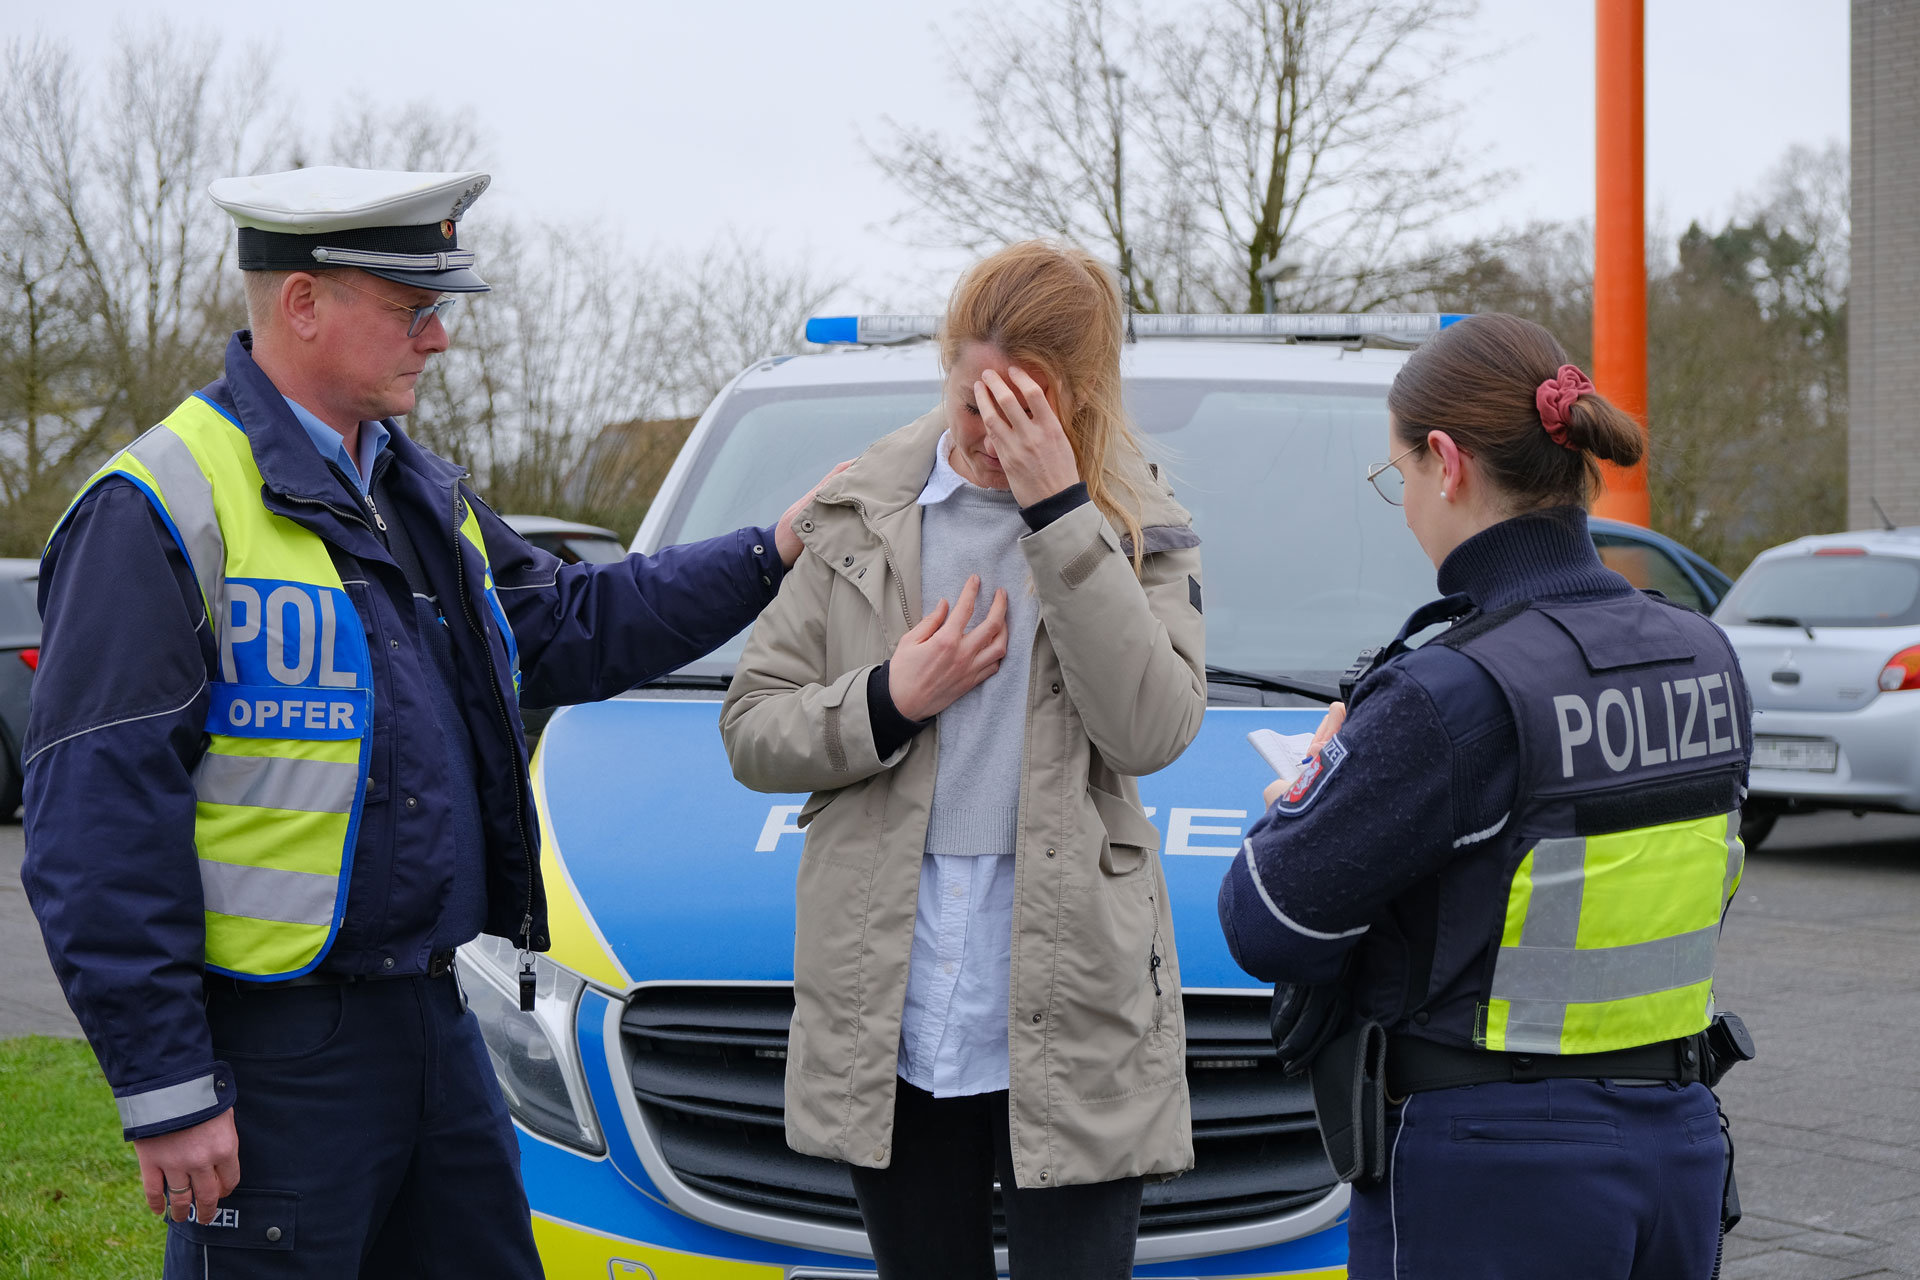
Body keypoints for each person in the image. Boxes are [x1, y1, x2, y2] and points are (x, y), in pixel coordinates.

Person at [20, 166, 834, 1278]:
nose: (440, 338)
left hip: (436, 1022)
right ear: (304, 304)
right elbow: (94, 825)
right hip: (272, 1051)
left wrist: (771, 550)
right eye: (415, 309)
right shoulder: (161, 505)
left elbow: (573, 622)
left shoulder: (418, 496)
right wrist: (168, 1091)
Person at [1216, 313, 1753, 1279]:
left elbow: (1266, 921)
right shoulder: (1705, 654)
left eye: (1399, 480)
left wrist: (1304, 792)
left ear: (1446, 463)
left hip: (1496, 1176)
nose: (1408, 504)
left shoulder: (1451, 693)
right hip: (1675, 1150)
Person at [719, 240, 1206, 1279]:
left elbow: (1152, 731)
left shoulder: (1137, 520)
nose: (983, 432)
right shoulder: (861, 510)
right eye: (967, 394)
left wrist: (1061, 518)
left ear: (1078, 395)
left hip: (1075, 1000)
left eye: (1020, 407)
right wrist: (893, 696)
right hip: (889, 997)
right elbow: (752, 726)